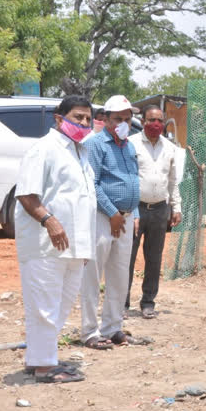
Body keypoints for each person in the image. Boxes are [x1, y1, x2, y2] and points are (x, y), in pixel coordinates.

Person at [15, 95, 96, 383]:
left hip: (74, 246)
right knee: (44, 306)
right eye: (77, 117)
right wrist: (48, 221)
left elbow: (81, 200)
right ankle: (44, 367)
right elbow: (26, 193)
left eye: (88, 118)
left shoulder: (80, 151)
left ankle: (40, 357)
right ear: (60, 119)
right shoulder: (44, 149)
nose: (84, 123)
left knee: (60, 305)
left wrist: (85, 246)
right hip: (45, 244)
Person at [80, 95, 141, 348]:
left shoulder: (128, 146)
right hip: (103, 218)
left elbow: (132, 181)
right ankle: (90, 331)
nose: (123, 123)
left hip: (125, 219)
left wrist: (133, 213)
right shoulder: (96, 144)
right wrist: (112, 213)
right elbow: (92, 183)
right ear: (105, 119)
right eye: (118, 119)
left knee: (119, 276)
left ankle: (113, 326)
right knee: (93, 275)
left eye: (127, 118)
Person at [126, 105, 182, 318]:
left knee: (154, 258)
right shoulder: (131, 145)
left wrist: (176, 207)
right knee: (127, 257)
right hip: (135, 210)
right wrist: (130, 211)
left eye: (159, 120)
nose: (155, 124)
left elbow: (173, 180)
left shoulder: (170, 147)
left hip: (160, 210)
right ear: (142, 121)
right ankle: (122, 303)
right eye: (151, 120)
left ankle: (148, 301)